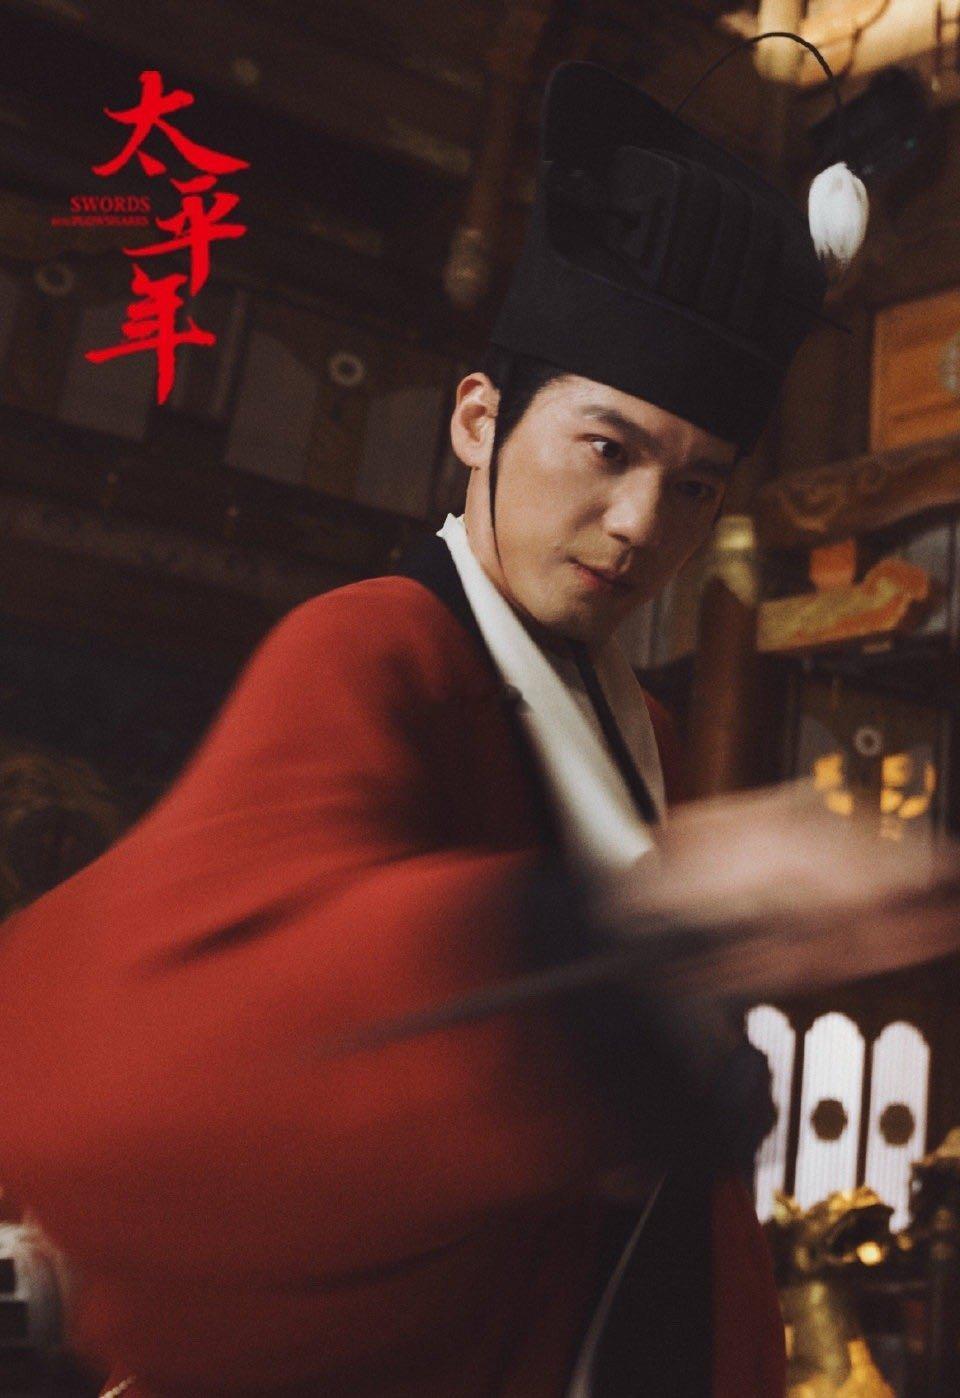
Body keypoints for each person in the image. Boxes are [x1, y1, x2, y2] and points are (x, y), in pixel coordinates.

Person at [0, 56, 958, 1398]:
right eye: (607, 449)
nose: (643, 522)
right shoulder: (374, 645)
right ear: (476, 419)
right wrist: (656, 917)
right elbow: (191, 1033)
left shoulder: (642, 723)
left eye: (696, 485)